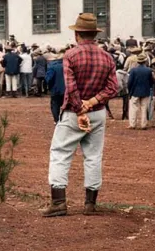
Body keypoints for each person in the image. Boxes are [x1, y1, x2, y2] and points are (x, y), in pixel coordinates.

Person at [42, 14, 118, 217]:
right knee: (93, 156)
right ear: (95, 34)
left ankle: (59, 202)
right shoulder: (107, 57)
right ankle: (90, 204)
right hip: (98, 112)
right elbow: (113, 88)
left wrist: (79, 110)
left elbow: (72, 88)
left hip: (73, 113)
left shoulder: (71, 55)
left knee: (60, 153)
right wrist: (92, 103)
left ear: (77, 34)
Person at [127, 54, 153, 129]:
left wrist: (130, 91)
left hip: (134, 91)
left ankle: (132, 124)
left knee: (133, 108)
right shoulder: (148, 70)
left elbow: (129, 82)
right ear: (145, 61)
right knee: (144, 108)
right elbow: (151, 81)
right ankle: (143, 124)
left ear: (138, 62)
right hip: (145, 91)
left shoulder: (133, 70)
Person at [45, 49, 65, 123]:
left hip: (55, 89)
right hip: (66, 89)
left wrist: (50, 87)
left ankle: (56, 120)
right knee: (65, 105)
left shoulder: (52, 66)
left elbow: (48, 79)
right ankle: (63, 119)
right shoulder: (68, 65)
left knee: (55, 105)